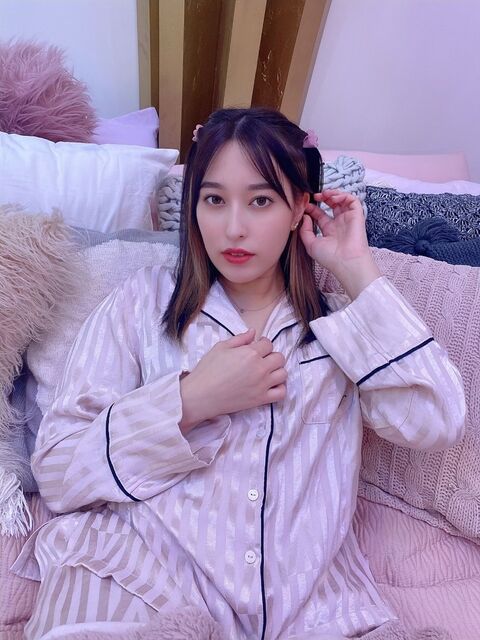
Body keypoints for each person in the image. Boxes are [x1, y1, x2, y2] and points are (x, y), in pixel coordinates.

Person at [15, 107, 465, 640]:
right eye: (214, 200)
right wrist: (189, 401)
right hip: (145, 582)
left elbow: (436, 419)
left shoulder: (344, 325)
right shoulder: (141, 304)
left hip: (311, 612)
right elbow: (60, 472)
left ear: (299, 207)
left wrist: (355, 268)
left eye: (260, 201)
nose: (233, 228)